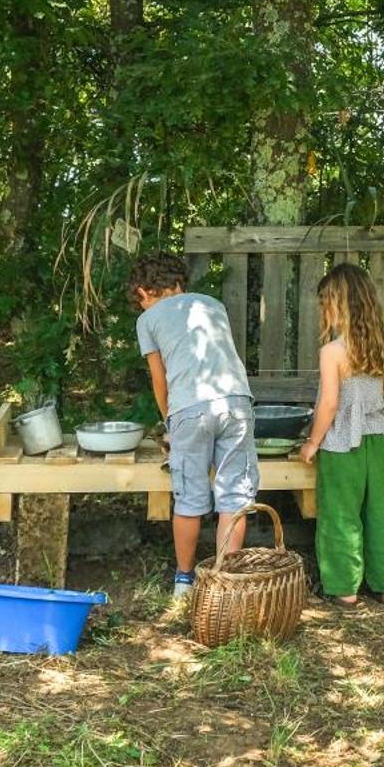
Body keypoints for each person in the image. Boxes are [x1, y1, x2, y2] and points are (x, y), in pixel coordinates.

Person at [129, 252, 257, 600]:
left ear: (144, 291)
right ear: (178, 281)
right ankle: (226, 581)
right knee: (234, 496)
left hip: (190, 407)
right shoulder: (213, 305)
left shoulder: (149, 319)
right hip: (237, 403)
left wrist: (170, 422)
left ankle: (184, 581)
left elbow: (161, 381)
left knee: (189, 498)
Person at [299, 262, 384, 607]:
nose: (323, 309)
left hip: (342, 441)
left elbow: (329, 404)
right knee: (378, 511)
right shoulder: (382, 346)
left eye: (325, 302)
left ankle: (345, 589)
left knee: (340, 514)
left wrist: (312, 442)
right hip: (377, 438)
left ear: (338, 305)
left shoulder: (333, 352)